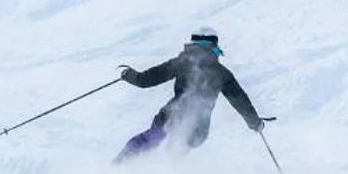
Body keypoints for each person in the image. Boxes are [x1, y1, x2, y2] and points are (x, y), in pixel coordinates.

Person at [114, 30, 267, 161]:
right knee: (170, 155)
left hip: (170, 118)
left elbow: (145, 80)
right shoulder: (222, 73)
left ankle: (118, 169)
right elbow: (240, 101)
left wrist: (128, 75)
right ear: (214, 46)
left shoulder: (181, 63)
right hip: (197, 131)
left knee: (147, 141)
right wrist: (255, 123)